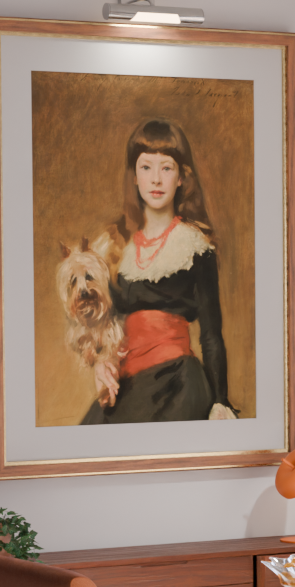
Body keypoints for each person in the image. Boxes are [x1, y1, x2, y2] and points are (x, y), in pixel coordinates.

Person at [83, 118, 235, 424]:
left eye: (166, 168)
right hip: (128, 385)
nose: (156, 179)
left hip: (178, 381)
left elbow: (211, 334)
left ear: (181, 177)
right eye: (146, 168)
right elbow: (104, 323)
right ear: (134, 177)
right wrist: (101, 362)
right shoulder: (114, 246)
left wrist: (220, 400)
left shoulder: (195, 245)